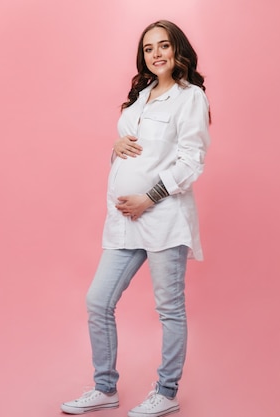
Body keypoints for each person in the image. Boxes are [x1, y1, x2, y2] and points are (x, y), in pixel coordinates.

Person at [61, 20, 211, 417]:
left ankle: (166, 391)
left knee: (169, 308)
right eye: (148, 48)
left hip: (163, 217)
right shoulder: (140, 96)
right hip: (124, 220)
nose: (156, 54)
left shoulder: (189, 97)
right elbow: (133, 153)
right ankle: (104, 387)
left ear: (178, 50)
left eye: (164, 46)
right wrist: (115, 145)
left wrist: (150, 197)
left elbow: (191, 161)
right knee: (98, 301)